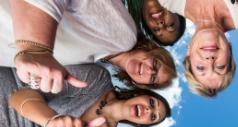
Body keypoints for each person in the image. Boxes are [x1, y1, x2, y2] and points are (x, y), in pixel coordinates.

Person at [0, 65, 171, 127]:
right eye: (151, 103)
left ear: (141, 124)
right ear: (139, 94)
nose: (149, 110)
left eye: (153, 116)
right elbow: (19, 95)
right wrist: (51, 120)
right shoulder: (98, 77)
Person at [1, 0, 177, 93]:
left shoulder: (96, 66)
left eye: (152, 78)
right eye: (155, 65)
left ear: (138, 83)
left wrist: (36, 76)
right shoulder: (125, 36)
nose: (148, 71)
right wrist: (34, 47)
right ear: (150, 50)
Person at [158, 0, 238, 97]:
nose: (210, 60)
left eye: (201, 68)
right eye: (220, 67)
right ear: (229, 52)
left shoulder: (169, 2)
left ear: (188, 53)